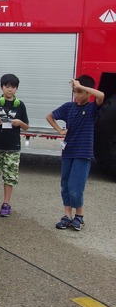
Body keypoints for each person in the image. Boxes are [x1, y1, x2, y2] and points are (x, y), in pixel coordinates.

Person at [46, 76, 104, 231]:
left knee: (75, 187)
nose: (76, 95)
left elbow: (101, 96)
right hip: (68, 152)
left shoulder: (92, 108)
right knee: (65, 185)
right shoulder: (68, 107)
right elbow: (49, 116)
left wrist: (81, 86)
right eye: (74, 92)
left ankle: (79, 216)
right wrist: (59, 130)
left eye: (80, 92)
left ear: (87, 92)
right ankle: (67, 215)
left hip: (83, 153)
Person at [0, 74, 30, 217]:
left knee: (9, 177)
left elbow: (27, 126)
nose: (10, 90)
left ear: (16, 89)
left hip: (12, 147)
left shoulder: (20, 105)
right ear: (2, 87)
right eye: (7, 86)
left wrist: (19, 123)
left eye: (13, 87)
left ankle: (6, 203)